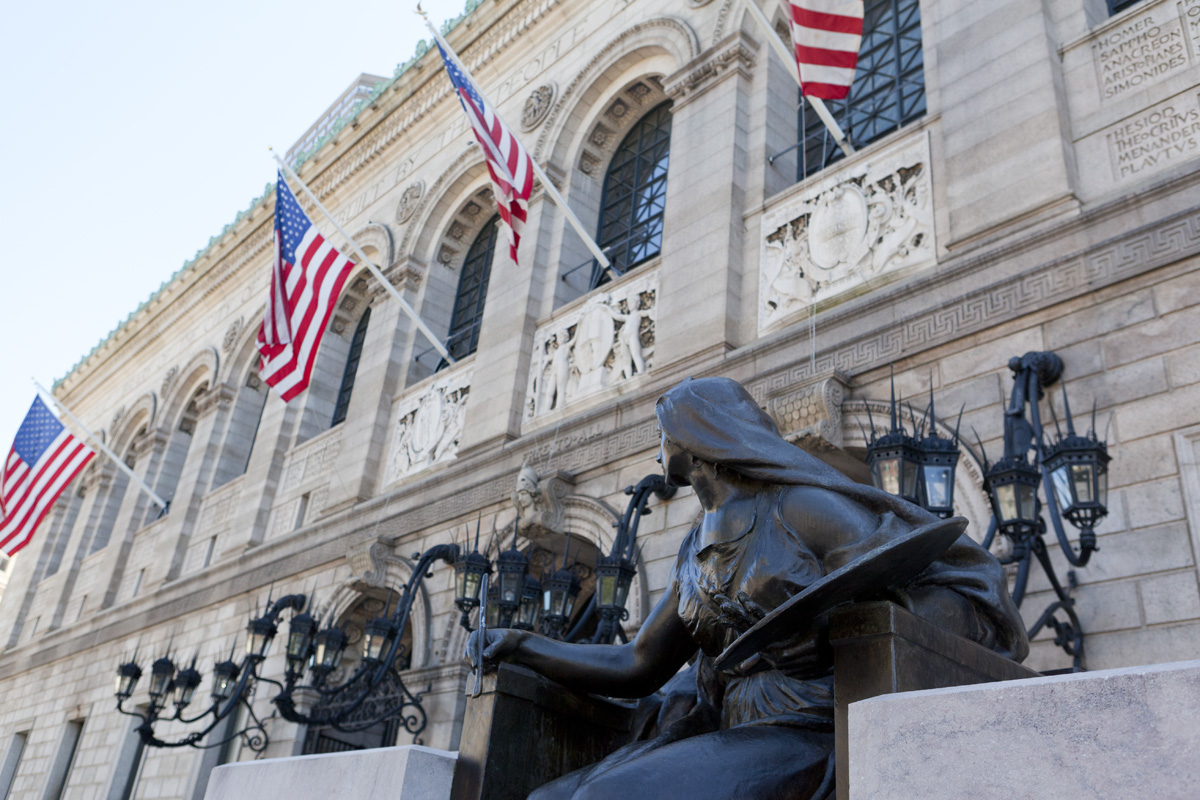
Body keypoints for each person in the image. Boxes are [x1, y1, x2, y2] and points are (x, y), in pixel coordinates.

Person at [468, 377, 1028, 800]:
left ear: (696, 438)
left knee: (606, 798)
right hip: (733, 728)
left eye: (664, 431)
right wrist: (522, 644)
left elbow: (903, 591)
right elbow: (638, 663)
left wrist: (837, 631)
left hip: (814, 727)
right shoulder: (693, 550)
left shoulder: (801, 508)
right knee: (547, 798)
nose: (657, 445)